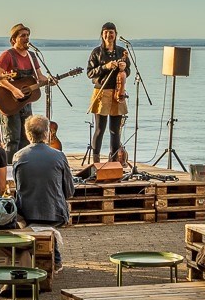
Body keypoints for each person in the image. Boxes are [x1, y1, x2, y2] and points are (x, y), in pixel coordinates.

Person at [12, 114, 74, 270]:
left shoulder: (18, 156)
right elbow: (69, 190)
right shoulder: (59, 155)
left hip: (27, 211)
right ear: (47, 133)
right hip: (54, 212)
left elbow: (19, 186)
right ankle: (55, 259)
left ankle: (43, 256)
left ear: (27, 134)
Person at [0, 23, 48, 155]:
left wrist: (48, 80)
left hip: (25, 102)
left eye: (28, 35)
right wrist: (13, 89)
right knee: (12, 139)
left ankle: (24, 168)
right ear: (14, 39)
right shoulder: (8, 55)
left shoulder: (32, 56)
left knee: (26, 138)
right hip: (8, 102)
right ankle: (10, 171)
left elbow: (39, 76)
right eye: (22, 36)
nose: (26, 38)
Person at [85, 22, 130, 162]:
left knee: (115, 130)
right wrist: (105, 66)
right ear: (102, 34)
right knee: (99, 129)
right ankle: (96, 161)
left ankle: (114, 160)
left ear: (115, 34)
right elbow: (90, 73)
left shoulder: (121, 51)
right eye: (106, 32)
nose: (109, 35)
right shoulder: (96, 52)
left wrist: (124, 68)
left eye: (111, 32)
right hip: (102, 91)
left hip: (118, 93)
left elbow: (128, 72)